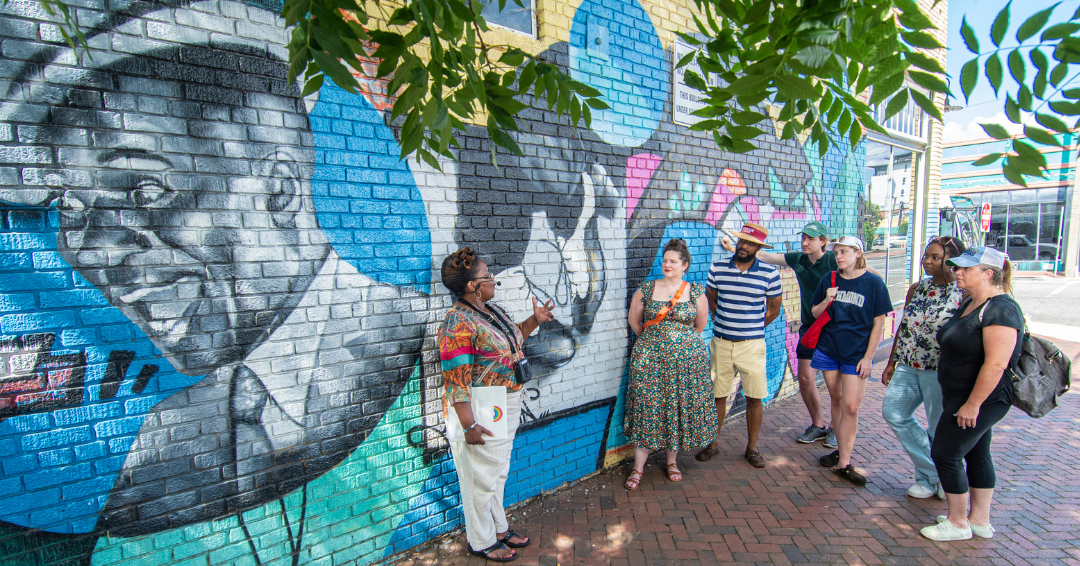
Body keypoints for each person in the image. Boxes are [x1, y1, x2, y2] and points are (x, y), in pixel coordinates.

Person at [437, 247, 555, 561]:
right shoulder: (456, 323)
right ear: (472, 286)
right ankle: (481, 540)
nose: (493, 280)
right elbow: (455, 377)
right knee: (481, 477)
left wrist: (535, 320)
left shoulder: (493, 311)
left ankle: (499, 528)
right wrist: (468, 424)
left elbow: (513, 341)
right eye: (487, 276)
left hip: (506, 401)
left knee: (498, 471)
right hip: (480, 406)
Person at [921, 247, 1022, 542]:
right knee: (977, 452)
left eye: (966, 268)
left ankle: (957, 524)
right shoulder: (971, 301)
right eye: (958, 267)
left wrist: (972, 404)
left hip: (981, 399)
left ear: (988, 273)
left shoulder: (1001, 309)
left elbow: (997, 363)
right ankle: (978, 520)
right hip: (960, 395)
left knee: (946, 453)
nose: (958, 272)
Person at [623, 239, 717, 489]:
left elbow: (699, 326)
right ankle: (638, 468)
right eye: (664, 260)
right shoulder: (647, 288)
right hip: (650, 362)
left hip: (685, 365)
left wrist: (678, 344)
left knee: (674, 409)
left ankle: (672, 462)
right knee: (648, 408)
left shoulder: (696, 291)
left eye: (672, 261)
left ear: (684, 265)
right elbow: (635, 321)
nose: (667, 265)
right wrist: (654, 342)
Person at [881, 236, 966, 500]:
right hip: (907, 364)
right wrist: (892, 360)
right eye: (926, 256)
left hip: (939, 370)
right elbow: (904, 325)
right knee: (894, 413)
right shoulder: (917, 288)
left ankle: (930, 480)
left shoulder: (963, 292)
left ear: (951, 261)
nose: (927, 261)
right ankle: (938, 473)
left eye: (935, 257)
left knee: (936, 426)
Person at [695, 223, 782, 469]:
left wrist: (752, 327)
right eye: (742, 240)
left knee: (754, 397)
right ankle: (712, 444)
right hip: (721, 343)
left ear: (758, 247)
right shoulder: (718, 268)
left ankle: (752, 449)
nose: (744, 245)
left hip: (752, 345)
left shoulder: (769, 273)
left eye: (750, 243)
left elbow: (773, 309)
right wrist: (722, 322)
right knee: (718, 395)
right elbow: (712, 299)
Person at [810, 235, 892, 486]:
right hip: (829, 349)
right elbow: (814, 313)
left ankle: (844, 463)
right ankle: (840, 450)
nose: (840, 257)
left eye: (845, 252)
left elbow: (879, 322)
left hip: (856, 354)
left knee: (851, 406)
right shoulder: (829, 279)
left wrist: (869, 358)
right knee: (836, 399)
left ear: (858, 253)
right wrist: (827, 298)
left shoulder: (873, 283)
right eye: (837, 253)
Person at [751, 221, 838, 448]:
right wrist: (734, 249)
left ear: (823, 242)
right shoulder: (799, 259)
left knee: (834, 384)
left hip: (834, 328)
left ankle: (837, 428)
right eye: (803, 238)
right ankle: (818, 425)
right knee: (806, 379)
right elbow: (769, 258)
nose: (805, 242)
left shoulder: (832, 259)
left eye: (811, 238)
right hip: (810, 327)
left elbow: (864, 271)